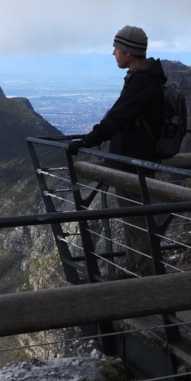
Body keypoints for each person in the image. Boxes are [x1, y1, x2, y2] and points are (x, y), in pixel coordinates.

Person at [67, 25, 166, 277]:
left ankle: (145, 277)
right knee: (132, 220)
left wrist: (89, 140)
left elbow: (119, 116)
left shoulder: (142, 80)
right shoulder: (142, 77)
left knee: (137, 222)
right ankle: (134, 269)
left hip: (134, 163)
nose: (113, 53)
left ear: (129, 52)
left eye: (117, 48)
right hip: (130, 161)